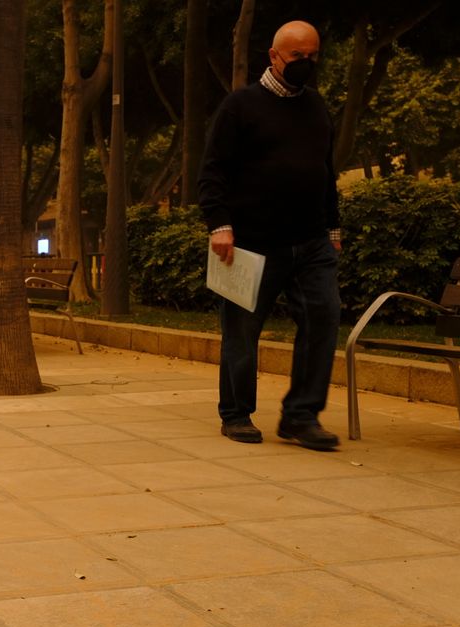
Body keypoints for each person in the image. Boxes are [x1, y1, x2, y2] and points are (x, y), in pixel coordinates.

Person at [199, 19, 342, 451]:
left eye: (313, 55)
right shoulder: (240, 106)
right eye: (298, 56)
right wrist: (219, 225)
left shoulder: (317, 107)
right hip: (251, 241)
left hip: (312, 240)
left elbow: (325, 173)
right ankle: (237, 414)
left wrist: (332, 229)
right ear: (275, 56)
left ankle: (301, 416)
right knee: (242, 332)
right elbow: (213, 171)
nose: (307, 63)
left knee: (325, 315)